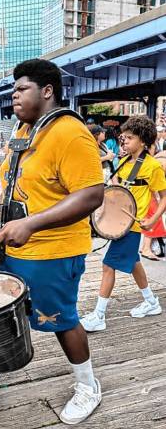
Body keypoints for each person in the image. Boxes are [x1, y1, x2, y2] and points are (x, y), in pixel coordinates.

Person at [0, 59, 104, 425]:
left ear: (47, 91)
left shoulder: (68, 133)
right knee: (0, 317)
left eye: (21, 89)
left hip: (53, 252)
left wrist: (31, 224)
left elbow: (92, 194)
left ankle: (88, 386)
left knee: (61, 320)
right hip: (16, 247)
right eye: (12, 90)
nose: (13, 96)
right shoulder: (24, 130)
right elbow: (21, 186)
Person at [81, 116, 166, 333]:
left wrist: (153, 219)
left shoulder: (152, 166)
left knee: (108, 265)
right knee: (134, 263)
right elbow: (120, 188)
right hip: (120, 223)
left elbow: (164, 196)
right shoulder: (126, 161)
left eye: (129, 138)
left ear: (143, 141)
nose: (124, 141)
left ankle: (99, 315)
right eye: (123, 138)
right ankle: (151, 302)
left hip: (132, 227)